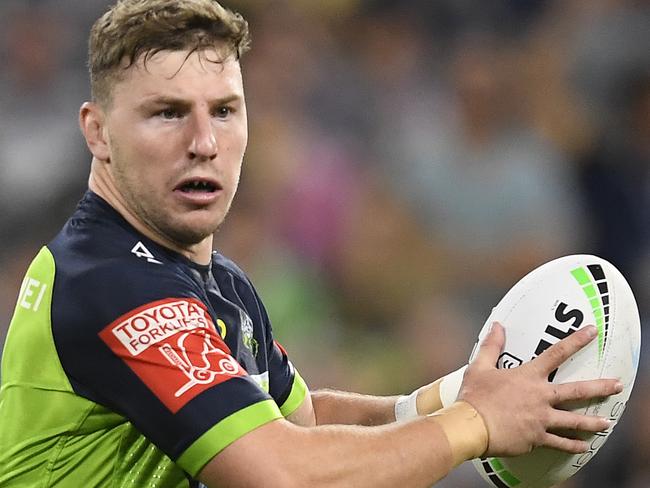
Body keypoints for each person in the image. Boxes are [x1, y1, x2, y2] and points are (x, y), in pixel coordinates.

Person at [0, 1, 622, 487]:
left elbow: (304, 423)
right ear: (98, 132)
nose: (204, 142)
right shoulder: (107, 281)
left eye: (224, 110)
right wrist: (476, 424)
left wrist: (451, 395)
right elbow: (285, 472)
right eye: (166, 112)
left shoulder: (218, 282)